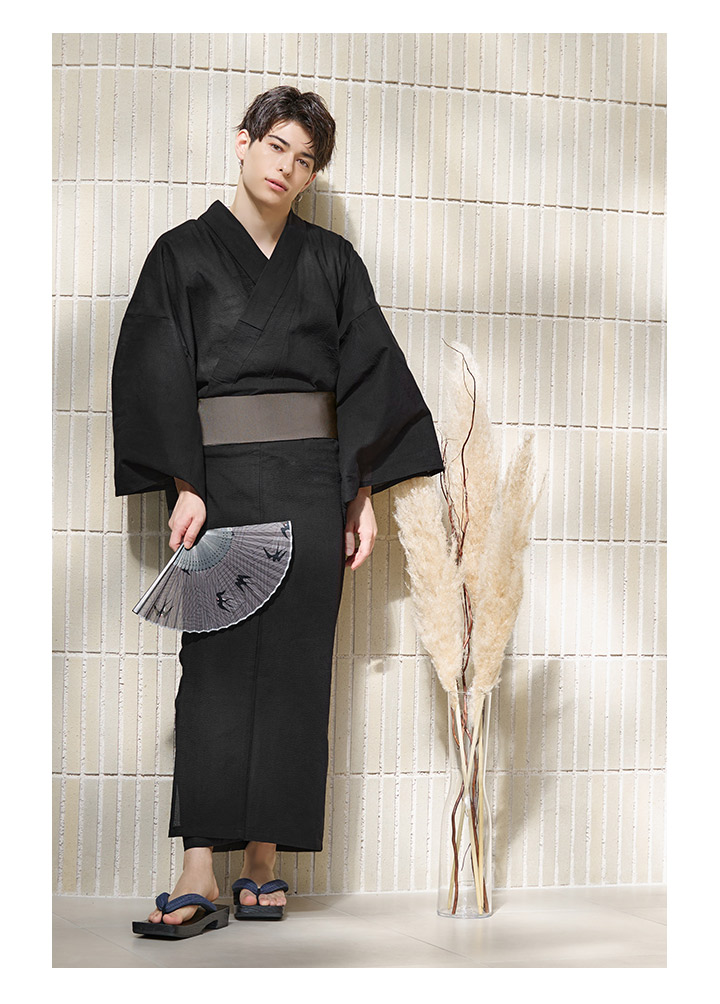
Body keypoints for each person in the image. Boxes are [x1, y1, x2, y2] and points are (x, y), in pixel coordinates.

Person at [112, 86, 444, 937]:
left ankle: (261, 862)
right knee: (211, 673)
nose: (287, 168)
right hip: (218, 485)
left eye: (304, 160)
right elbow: (154, 368)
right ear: (243, 142)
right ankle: (197, 866)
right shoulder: (181, 255)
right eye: (276, 147)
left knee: (298, 672)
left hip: (309, 483)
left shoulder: (332, 263)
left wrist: (359, 494)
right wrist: (185, 483)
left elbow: (367, 376)